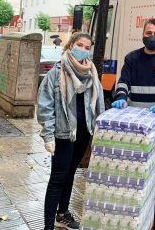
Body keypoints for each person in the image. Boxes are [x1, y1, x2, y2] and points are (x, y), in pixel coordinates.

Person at [111, 18, 155, 230]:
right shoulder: (132, 58)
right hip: (132, 125)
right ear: (142, 33)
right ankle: (131, 211)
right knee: (131, 169)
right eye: (149, 32)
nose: (152, 36)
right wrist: (121, 96)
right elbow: (123, 81)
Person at [37, 32, 105, 230]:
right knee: (58, 177)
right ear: (70, 46)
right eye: (80, 45)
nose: (83, 49)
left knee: (70, 173)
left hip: (83, 132)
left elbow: (98, 102)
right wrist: (48, 136)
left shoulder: (91, 72)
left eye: (87, 47)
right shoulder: (57, 73)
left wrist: (100, 129)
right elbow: (45, 106)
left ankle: (62, 214)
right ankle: (48, 226)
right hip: (63, 134)